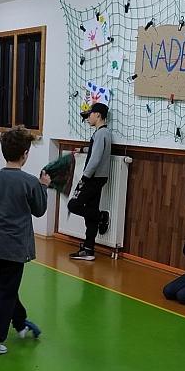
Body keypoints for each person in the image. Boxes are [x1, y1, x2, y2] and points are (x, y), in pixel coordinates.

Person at [0, 125, 50, 356]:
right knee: (7, 293)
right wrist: (44, 186)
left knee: (6, 288)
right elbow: (39, 210)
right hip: (15, 248)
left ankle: (19, 323)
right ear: (25, 154)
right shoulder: (30, 182)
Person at [67, 103, 112, 261]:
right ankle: (88, 249)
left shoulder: (101, 133)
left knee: (73, 205)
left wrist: (84, 178)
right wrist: (83, 150)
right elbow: (96, 150)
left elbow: (95, 158)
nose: (87, 118)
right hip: (98, 178)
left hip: (94, 178)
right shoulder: (103, 134)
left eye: (89, 115)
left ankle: (102, 216)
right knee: (90, 212)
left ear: (98, 115)